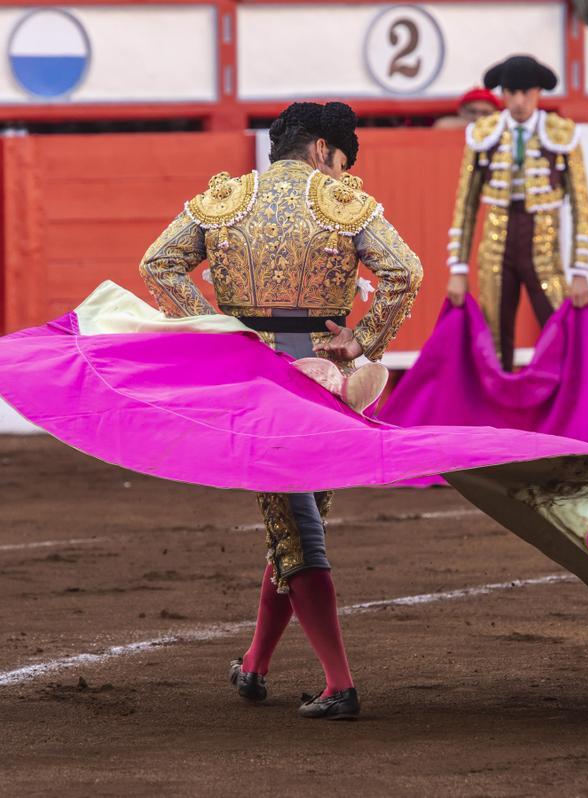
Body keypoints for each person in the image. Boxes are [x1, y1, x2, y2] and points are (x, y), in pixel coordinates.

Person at [138, 101, 423, 720]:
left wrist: (217, 328)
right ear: (323, 150)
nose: (343, 175)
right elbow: (404, 271)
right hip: (322, 378)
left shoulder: (225, 200)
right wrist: (363, 339)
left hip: (253, 375)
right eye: (341, 162)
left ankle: (339, 686)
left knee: (295, 524)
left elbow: (157, 264)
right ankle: (256, 666)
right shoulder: (341, 202)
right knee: (296, 520)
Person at [444, 54, 588, 371]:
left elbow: (581, 204)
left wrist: (580, 271)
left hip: (544, 251)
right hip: (496, 250)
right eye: (511, 93)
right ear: (503, 94)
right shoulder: (484, 135)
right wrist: (458, 269)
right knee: (495, 343)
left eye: (526, 92)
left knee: (562, 335)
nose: (519, 101)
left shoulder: (561, 134)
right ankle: (499, 415)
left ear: (539, 93)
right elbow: (466, 204)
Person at [433, 87, 503, 129]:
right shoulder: (446, 125)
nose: (478, 117)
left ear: (495, 113)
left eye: (485, 113)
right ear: (461, 111)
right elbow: (442, 125)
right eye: (472, 111)